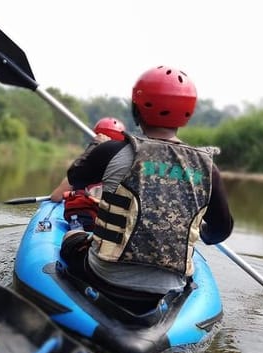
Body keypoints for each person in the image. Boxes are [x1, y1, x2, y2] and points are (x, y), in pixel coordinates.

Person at [59, 65, 234, 314]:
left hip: (104, 278)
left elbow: (76, 178)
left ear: (136, 108)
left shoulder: (112, 151)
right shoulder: (208, 169)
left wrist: (95, 146)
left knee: (70, 237)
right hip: (169, 289)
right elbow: (220, 231)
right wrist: (200, 232)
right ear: (187, 113)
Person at [50, 117, 127, 230]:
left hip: (88, 223)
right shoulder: (127, 168)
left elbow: (56, 197)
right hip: (112, 227)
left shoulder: (83, 170)